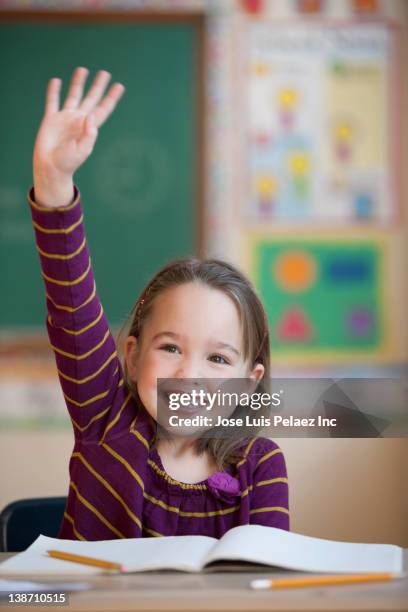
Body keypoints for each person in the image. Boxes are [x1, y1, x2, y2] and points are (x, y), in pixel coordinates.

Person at [28, 67, 289, 540]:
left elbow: (265, 586)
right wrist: (53, 186)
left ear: (248, 383)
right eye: (170, 348)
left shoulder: (261, 463)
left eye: (217, 358)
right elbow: (72, 308)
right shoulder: (104, 418)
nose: (189, 374)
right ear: (132, 355)